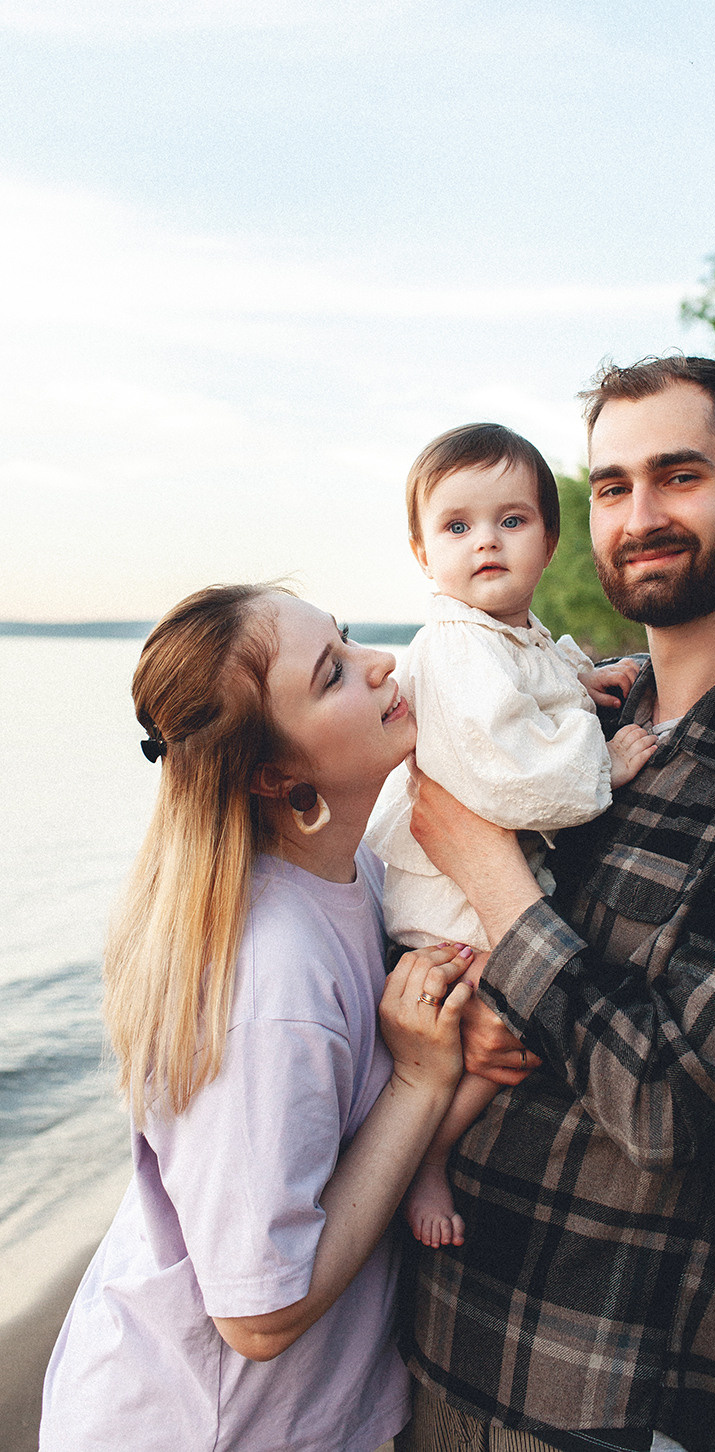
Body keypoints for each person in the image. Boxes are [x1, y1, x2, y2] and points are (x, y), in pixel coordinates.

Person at [399, 357, 715, 1452]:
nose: (640, 516)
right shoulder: (572, 712)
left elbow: (666, 1105)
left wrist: (494, 881)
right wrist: (444, 1012)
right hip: (427, 1347)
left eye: (679, 476)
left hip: (603, 1392)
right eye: (612, 487)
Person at [40, 583, 474, 1452]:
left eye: (346, 640)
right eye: (332, 674)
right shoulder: (269, 977)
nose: (381, 663)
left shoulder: (356, 876)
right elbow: (258, 1313)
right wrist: (422, 1083)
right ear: (274, 776)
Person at [365, 423, 656, 1249]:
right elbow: (512, 769)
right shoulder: (454, 648)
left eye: (511, 520)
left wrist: (585, 678)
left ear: (549, 542)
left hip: (470, 876)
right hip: (447, 894)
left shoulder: (502, 634)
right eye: (457, 526)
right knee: (509, 1018)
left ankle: (424, 1146)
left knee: (503, 1022)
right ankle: (428, 1156)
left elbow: (534, 676)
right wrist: (604, 763)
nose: (485, 542)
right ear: (424, 553)